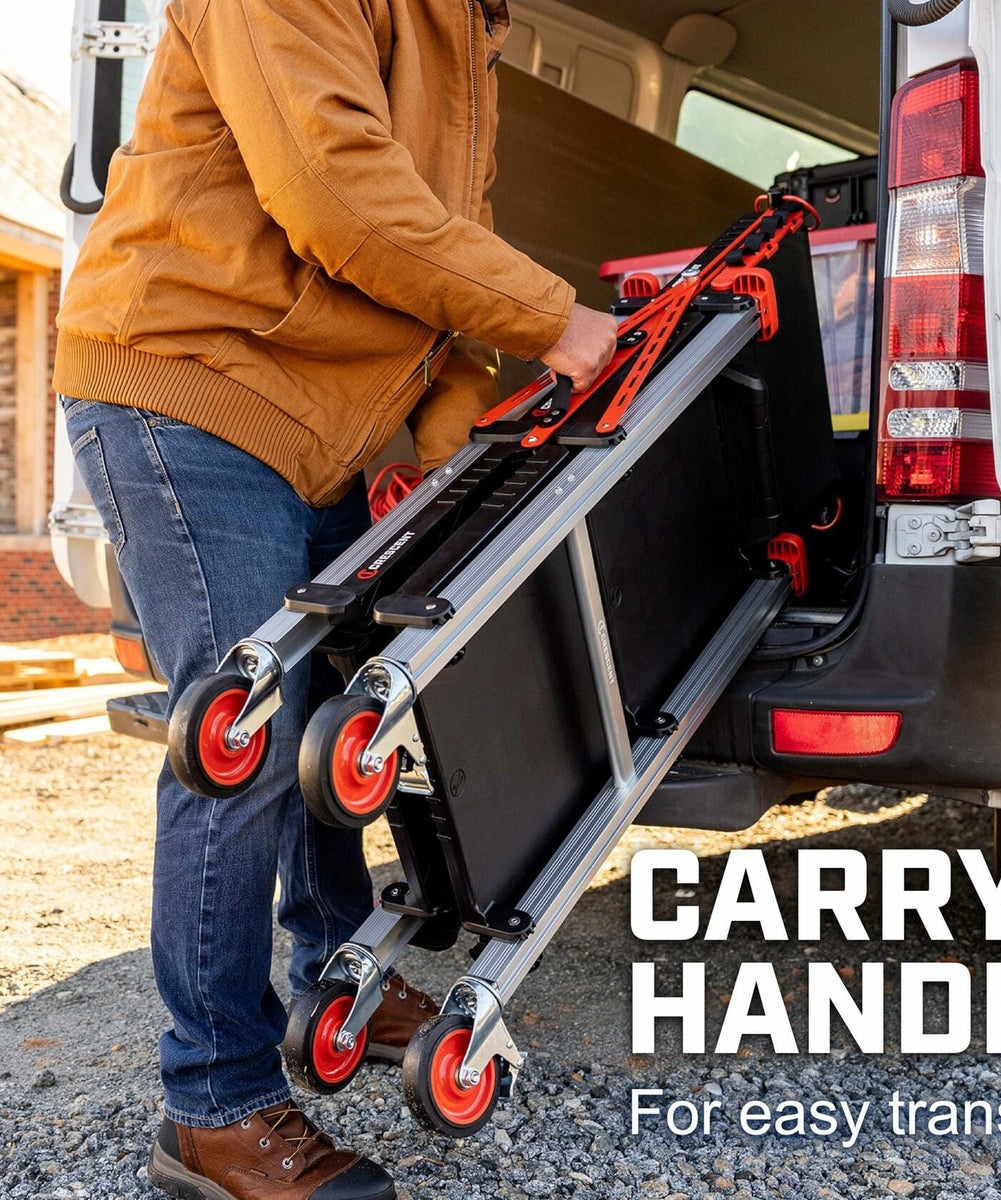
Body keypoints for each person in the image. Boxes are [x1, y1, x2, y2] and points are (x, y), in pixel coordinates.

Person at [53, 1, 618, 1196]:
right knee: (243, 747)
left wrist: (448, 439)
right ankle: (215, 1107)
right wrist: (557, 320)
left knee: (333, 724)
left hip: (326, 424)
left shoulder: (466, 33)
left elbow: (446, 249)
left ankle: (333, 969)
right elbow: (337, 190)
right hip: (193, 380)